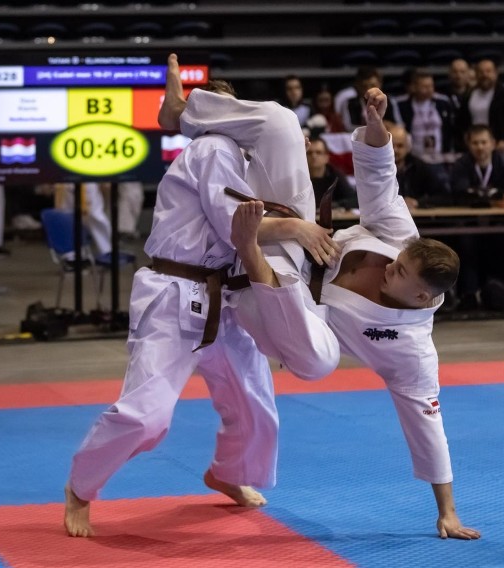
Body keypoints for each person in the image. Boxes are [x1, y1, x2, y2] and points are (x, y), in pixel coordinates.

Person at [170, 68, 480, 539]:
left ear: (422, 297)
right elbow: (379, 180)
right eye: (398, 260)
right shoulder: (403, 239)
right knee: (282, 123)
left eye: (399, 274)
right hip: (297, 242)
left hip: (272, 306)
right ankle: (185, 112)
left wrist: (447, 511)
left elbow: (427, 427)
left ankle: (245, 247)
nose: (391, 265)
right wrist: (377, 128)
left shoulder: (410, 349)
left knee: (320, 361)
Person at [63, 57, 341, 538]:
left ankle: (228, 473)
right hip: (175, 293)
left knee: (254, 408)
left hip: (224, 294)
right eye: (229, 106)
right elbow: (235, 226)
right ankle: (79, 488)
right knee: (146, 415)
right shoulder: (213, 148)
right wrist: (298, 225)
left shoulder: (243, 159)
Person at [449, 124, 504, 309]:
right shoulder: (461, 164)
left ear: (493, 144)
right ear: (469, 145)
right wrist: (494, 196)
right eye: (475, 143)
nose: (480, 147)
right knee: (466, 244)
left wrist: (479, 195)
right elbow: (460, 194)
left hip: (499, 222)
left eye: (483, 142)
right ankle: (470, 294)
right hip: (469, 222)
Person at [458, 59, 504, 153]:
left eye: (488, 71)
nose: (484, 75)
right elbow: (460, 123)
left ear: (495, 73)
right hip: (474, 148)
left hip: (498, 149)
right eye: (481, 72)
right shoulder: (468, 96)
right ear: (476, 74)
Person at [397, 70, 457, 159]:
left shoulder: (443, 102)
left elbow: (450, 129)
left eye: (431, 86)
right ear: (414, 87)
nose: (429, 89)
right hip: (415, 155)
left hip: (439, 155)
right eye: (424, 86)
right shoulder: (402, 105)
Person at [389, 124, 448, 209]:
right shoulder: (376, 169)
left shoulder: (420, 167)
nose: (395, 150)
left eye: (400, 146)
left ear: (408, 147)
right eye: (391, 145)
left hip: (417, 218)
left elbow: (442, 196)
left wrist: (417, 202)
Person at [306, 137, 357, 209]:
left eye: (318, 152)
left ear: (326, 157)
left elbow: (353, 200)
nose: (314, 156)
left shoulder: (335, 176)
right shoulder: (298, 178)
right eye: (309, 153)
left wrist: (335, 205)